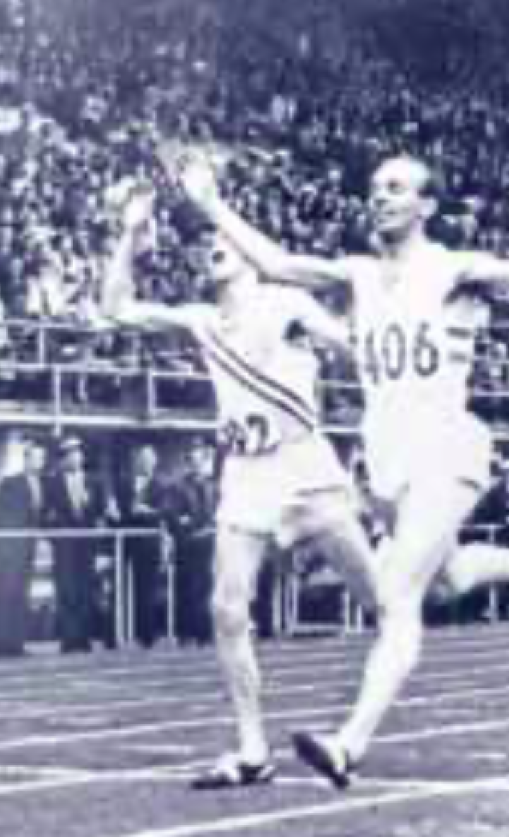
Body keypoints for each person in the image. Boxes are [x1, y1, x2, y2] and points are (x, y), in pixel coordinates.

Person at [175, 152, 509, 789]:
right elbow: (277, 265)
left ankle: (348, 743)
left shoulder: (453, 268)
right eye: (374, 187)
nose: (380, 196)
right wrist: (210, 203)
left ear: (427, 206)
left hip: (447, 447)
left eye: (396, 188)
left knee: (397, 593)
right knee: (441, 581)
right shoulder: (357, 273)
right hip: (385, 458)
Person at [100, 183, 379, 790]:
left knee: (392, 600)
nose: (210, 250)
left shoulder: (287, 301)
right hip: (248, 473)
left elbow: (354, 346)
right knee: (227, 610)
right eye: (201, 245)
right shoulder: (201, 321)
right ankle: (253, 752)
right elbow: (116, 307)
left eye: (219, 239)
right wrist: (129, 233)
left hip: (307, 464)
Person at [43, 435, 115, 653]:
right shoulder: (52, 482)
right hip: (64, 547)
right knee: (66, 590)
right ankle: (68, 639)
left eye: (78, 454)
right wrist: (54, 533)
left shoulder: (95, 481)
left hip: (88, 546)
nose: (75, 458)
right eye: (69, 455)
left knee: (86, 590)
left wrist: (103, 548)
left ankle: (83, 638)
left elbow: (104, 514)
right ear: (63, 459)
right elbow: (45, 514)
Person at [0, 437, 47, 658]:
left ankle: (16, 644)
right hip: (8, 553)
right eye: (36, 457)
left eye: (43, 458)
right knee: (3, 596)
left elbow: (41, 517)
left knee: (21, 596)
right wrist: (0, 548)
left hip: (27, 551)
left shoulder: (42, 484)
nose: (40, 462)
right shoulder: (10, 483)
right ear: (26, 459)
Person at [163, 437, 219, 646]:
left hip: (209, 545)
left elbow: (218, 512)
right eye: (194, 454)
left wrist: (209, 526)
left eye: (201, 454)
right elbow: (172, 516)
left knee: (207, 590)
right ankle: (186, 633)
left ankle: (205, 632)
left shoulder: (213, 486)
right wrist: (189, 526)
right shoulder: (178, 487)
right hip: (187, 546)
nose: (198, 460)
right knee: (186, 590)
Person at [114, 444, 168, 648]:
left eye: (149, 459)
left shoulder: (162, 485)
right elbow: (119, 512)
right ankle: (118, 635)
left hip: (149, 543)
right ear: (136, 461)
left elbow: (166, 512)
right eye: (142, 458)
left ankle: (146, 636)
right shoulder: (123, 483)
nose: (145, 463)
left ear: (155, 462)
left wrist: (149, 511)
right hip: (126, 541)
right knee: (122, 588)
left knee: (147, 590)